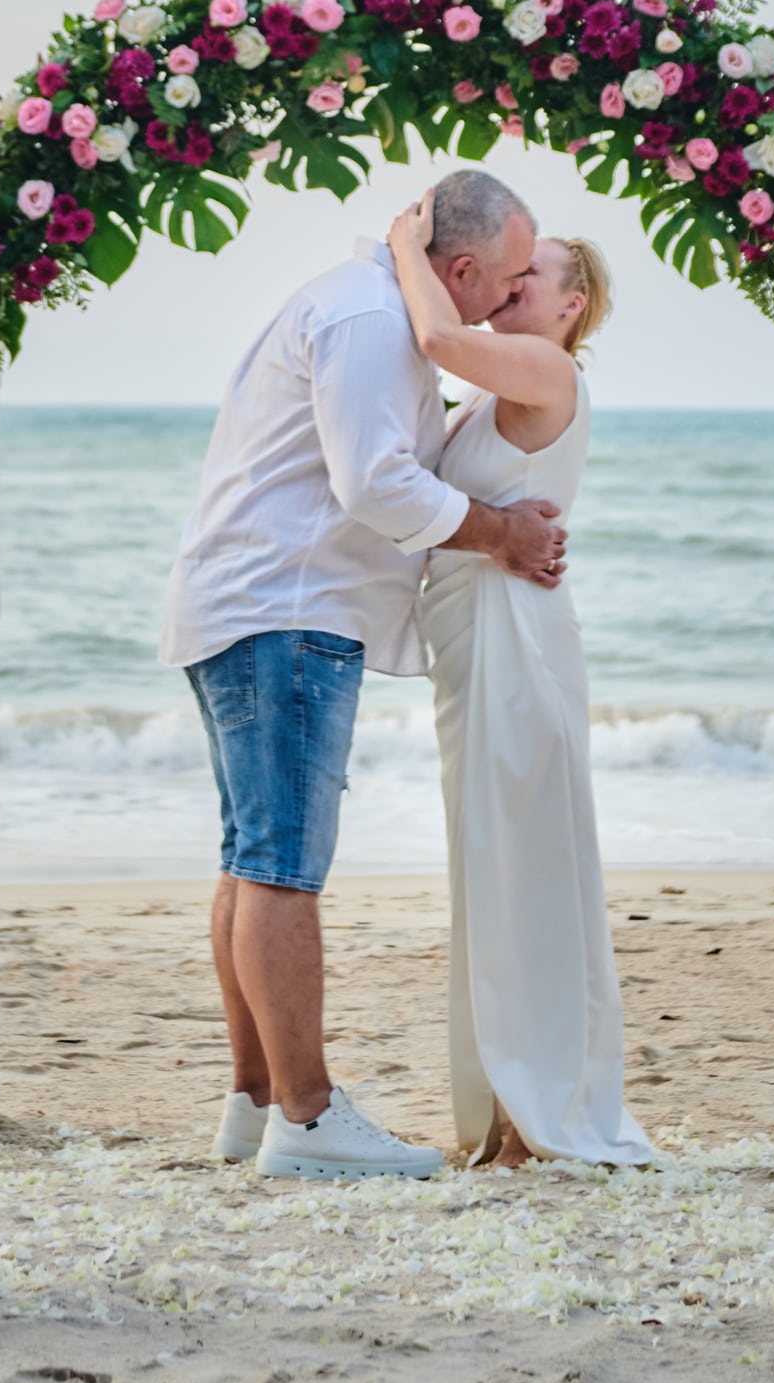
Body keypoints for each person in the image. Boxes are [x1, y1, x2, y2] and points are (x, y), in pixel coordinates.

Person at [160, 169, 567, 1181]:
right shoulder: (372, 322)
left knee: (251, 859)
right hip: (287, 611)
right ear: (460, 269)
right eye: (508, 276)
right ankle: (307, 1116)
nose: (510, 296)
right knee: (281, 866)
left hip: (254, 604)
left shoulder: (362, 305)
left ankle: (256, 1103)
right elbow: (375, 481)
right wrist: (500, 532)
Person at [389, 187, 654, 1170]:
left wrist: (404, 245)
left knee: (522, 867)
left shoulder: (546, 366)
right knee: (490, 867)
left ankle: (537, 1114)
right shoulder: (491, 394)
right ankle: (509, 1112)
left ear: (570, 303)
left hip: (516, 641)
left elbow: (435, 335)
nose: (507, 284)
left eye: (528, 273)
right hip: (474, 641)